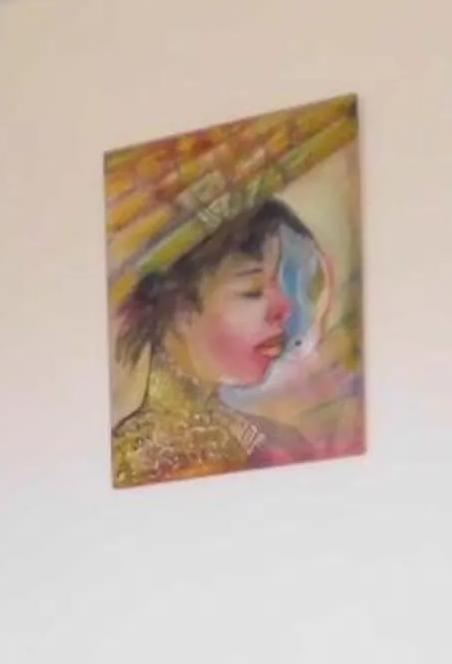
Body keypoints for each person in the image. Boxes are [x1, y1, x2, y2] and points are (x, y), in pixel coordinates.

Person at [109, 197, 330, 486]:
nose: (283, 308)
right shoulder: (126, 460)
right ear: (180, 309)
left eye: (279, 284)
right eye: (252, 290)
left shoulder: (280, 445)